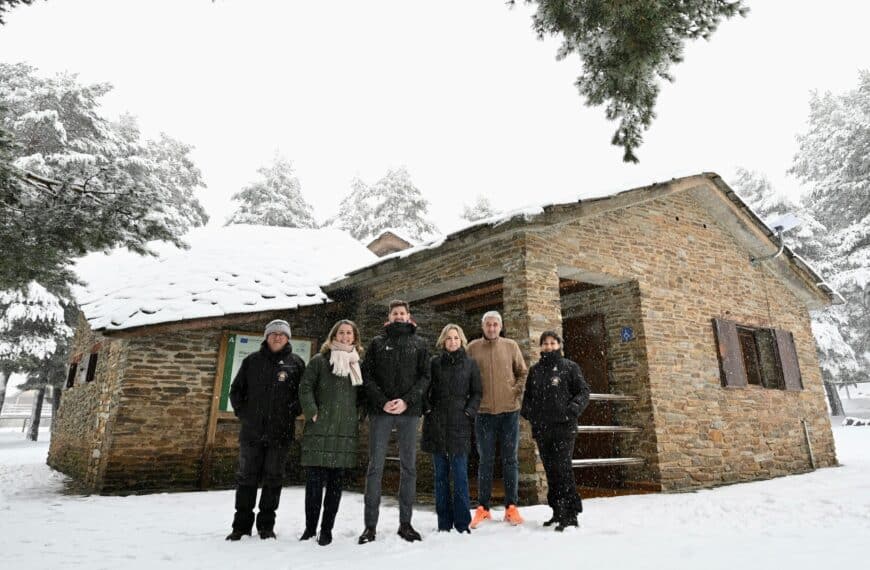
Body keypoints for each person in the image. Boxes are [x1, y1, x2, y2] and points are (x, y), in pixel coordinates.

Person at [358, 300, 430, 544]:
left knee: (408, 467)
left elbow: (425, 377)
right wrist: (382, 401)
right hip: (381, 412)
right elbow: (367, 375)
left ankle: (406, 524)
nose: (399, 316)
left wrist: (407, 401)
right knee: (375, 467)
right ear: (389, 317)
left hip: (409, 412)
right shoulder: (378, 343)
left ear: (409, 316)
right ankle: (370, 527)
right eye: (395, 313)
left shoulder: (420, 344)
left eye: (402, 313)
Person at [226, 319, 305, 541]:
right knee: (246, 479)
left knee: (273, 479)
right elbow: (236, 391)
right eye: (273, 333)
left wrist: (291, 412)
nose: (277, 336)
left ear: (288, 338)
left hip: (280, 434)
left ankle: (266, 526)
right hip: (252, 433)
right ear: (266, 336)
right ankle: (240, 526)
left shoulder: (296, 364)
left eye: (282, 333)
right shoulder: (252, 361)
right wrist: (245, 415)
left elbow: (303, 396)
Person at [298, 320, 365, 546]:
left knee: (335, 487)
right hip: (320, 428)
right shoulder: (319, 361)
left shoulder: (357, 363)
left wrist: (358, 416)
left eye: (349, 333)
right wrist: (312, 412)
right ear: (333, 336)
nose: (345, 336)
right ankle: (309, 528)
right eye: (341, 333)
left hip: (345, 431)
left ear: (354, 338)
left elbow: (363, 396)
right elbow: (305, 387)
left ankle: (326, 529)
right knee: (314, 485)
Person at [521, 330, 590, 531]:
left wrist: (573, 409)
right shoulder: (535, 371)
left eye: (552, 343)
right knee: (551, 470)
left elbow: (583, 391)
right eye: (545, 343)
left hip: (564, 428)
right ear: (541, 346)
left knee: (563, 468)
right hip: (543, 429)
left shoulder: (569, 367)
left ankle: (571, 513)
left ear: (558, 344)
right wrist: (530, 414)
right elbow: (528, 398)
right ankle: (557, 511)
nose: (549, 346)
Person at [467, 310, 528, 528]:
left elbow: (522, 372)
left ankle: (511, 507)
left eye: (495, 324)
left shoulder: (511, 346)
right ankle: (483, 508)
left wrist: (514, 391)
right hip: (483, 414)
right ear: (482, 326)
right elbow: (466, 376)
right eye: (488, 324)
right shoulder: (472, 348)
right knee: (485, 461)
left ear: (500, 326)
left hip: (509, 412)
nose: (491, 328)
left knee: (510, 459)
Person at [421, 324, 482, 533]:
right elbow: (424, 390)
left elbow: (477, 393)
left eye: (456, 338)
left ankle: (463, 523)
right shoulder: (434, 364)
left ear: (461, 340)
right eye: (448, 338)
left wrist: (468, 412)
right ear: (443, 341)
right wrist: (428, 410)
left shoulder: (470, 364)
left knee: (460, 476)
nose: (452, 342)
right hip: (436, 424)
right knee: (440, 478)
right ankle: (444, 524)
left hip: (460, 424)